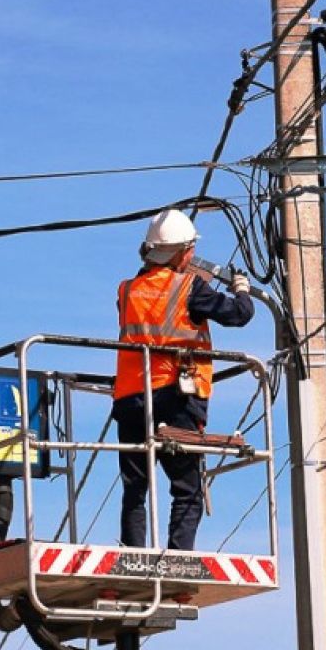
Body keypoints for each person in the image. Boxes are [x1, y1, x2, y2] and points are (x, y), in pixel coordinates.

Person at [112, 208, 254, 551]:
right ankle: (177, 559)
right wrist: (242, 288)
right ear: (183, 252)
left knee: (135, 489)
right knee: (187, 489)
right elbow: (240, 314)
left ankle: (135, 556)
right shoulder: (191, 287)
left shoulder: (127, 289)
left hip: (131, 398)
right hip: (176, 396)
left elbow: (150, 296)